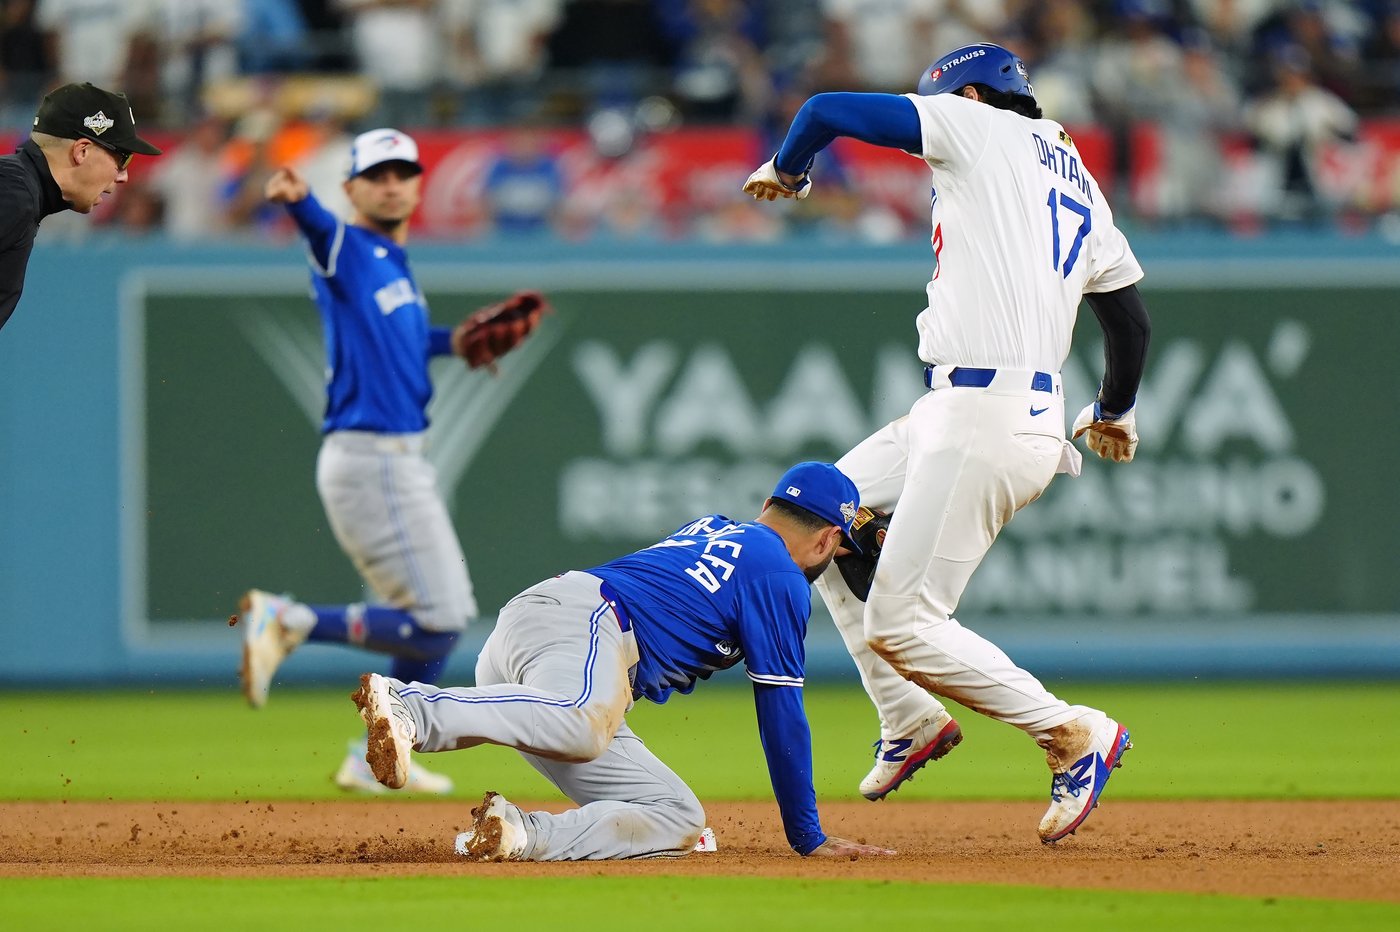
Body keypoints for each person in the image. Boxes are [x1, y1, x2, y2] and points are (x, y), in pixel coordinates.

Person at [743, 42, 1150, 844]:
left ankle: (1073, 733)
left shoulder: (975, 126)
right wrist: (1112, 408)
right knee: (807, 522)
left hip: (985, 415)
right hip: (967, 407)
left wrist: (789, 172)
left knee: (904, 621)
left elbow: (824, 111)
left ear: (968, 93)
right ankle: (909, 717)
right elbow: (1129, 321)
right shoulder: (1076, 174)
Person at [351, 462, 897, 861]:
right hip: (585, 625)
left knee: (676, 817)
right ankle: (412, 706)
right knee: (582, 722)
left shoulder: (723, 530)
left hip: (551, 641)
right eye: (841, 549)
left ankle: (518, 834)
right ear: (829, 538)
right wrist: (808, 837)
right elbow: (782, 712)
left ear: (766, 509)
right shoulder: (778, 575)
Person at [238, 128, 484, 795]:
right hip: (373, 457)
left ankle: (373, 753)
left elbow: (399, 342)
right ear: (350, 189)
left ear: (419, 184)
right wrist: (300, 203)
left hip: (389, 459)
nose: (391, 183)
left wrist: (452, 342)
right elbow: (322, 233)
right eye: (376, 174)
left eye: (403, 171)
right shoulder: (349, 245)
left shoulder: (395, 264)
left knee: (435, 626)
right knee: (441, 618)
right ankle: (286, 620)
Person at [0, 82, 161, 333]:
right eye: (122, 159)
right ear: (82, 151)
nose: (123, 176)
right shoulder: (15, 193)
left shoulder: (20, 189)